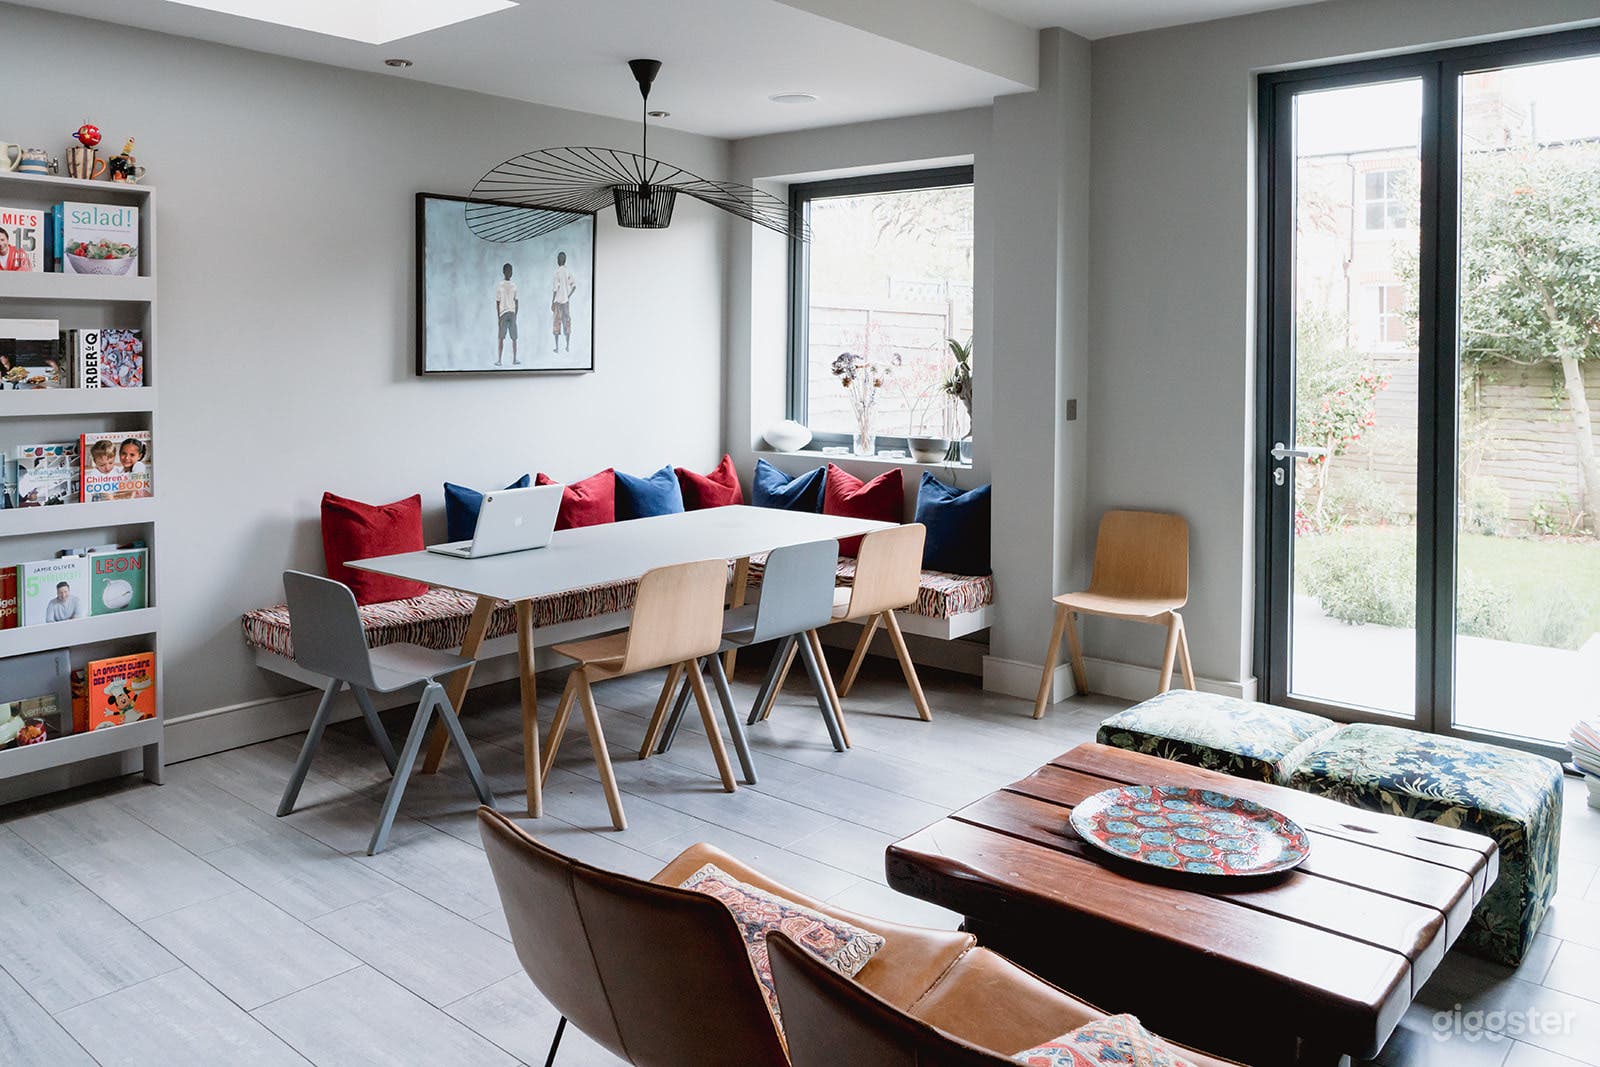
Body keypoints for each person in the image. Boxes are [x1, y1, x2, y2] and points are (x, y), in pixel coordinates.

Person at [551, 251, 577, 353]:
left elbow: (555, 289)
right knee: (567, 323)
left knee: (556, 324)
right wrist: (568, 296)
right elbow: (574, 286)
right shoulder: (567, 271)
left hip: (557, 301)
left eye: (558, 258)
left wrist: (552, 302)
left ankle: (557, 348)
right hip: (566, 302)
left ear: (559, 260)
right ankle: (567, 346)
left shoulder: (557, 272)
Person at [494, 262, 519, 366]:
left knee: (514, 338)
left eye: (511, 271)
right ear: (504, 272)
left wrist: (515, 314)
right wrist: (498, 316)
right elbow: (497, 302)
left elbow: (516, 301)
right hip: (503, 313)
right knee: (501, 337)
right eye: (508, 270)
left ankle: (514, 359)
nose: (509, 273)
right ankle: (499, 360)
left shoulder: (514, 286)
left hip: (511, 313)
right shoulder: (500, 286)